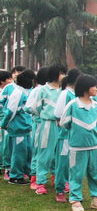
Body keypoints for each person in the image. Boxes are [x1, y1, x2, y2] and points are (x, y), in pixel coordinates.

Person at [60, 75, 97, 211]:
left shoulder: (96, 106)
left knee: (95, 173)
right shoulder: (73, 105)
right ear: (86, 88)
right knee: (76, 173)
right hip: (77, 147)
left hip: (93, 146)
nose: (96, 88)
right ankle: (75, 200)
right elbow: (64, 123)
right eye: (94, 86)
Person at [32, 65, 66, 197]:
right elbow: (36, 108)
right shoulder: (43, 90)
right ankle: (40, 182)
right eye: (61, 73)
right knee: (45, 152)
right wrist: (45, 116)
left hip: (61, 125)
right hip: (48, 124)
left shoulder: (64, 91)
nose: (63, 76)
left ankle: (58, 178)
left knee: (60, 153)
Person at [0, 69, 35, 185]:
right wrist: (4, 124)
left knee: (27, 152)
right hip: (18, 129)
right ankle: (15, 176)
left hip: (25, 129)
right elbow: (10, 111)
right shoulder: (18, 93)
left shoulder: (24, 92)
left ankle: (29, 173)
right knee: (19, 153)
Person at [53, 69, 81, 195]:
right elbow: (58, 113)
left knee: (71, 162)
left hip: (72, 134)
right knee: (62, 162)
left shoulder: (74, 94)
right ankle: (59, 188)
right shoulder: (65, 94)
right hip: (64, 134)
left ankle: (68, 184)